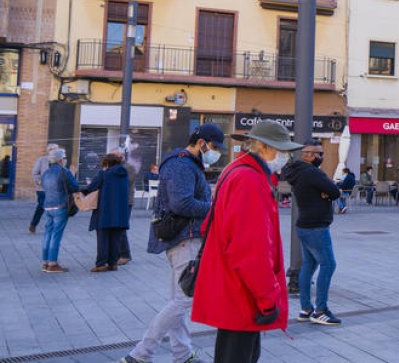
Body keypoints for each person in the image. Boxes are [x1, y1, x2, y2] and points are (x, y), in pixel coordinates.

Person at [192, 120, 300, 363]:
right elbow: (251, 249)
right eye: (282, 150)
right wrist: (267, 299)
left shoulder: (237, 170)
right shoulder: (250, 179)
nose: (285, 157)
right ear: (263, 147)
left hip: (233, 286)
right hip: (241, 292)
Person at [120, 124, 224, 363]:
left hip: (184, 238)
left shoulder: (187, 163)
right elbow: (182, 204)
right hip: (184, 239)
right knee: (184, 299)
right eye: (214, 147)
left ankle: (182, 353)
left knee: (178, 299)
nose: (215, 152)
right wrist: (215, 206)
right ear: (201, 143)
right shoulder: (181, 164)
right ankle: (140, 354)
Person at [281, 141, 344, 326]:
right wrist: (326, 192)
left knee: (309, 265)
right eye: (318, 154)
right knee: (328, 264)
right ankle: (321, 310)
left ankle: (306, 308)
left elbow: (330, 192)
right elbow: (334, 191)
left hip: (304, 225)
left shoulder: (298, 172)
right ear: (307, 154)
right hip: (316, 226)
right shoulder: (311, 172)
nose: (321, 157)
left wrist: (326, 191)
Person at [80, 153, 131, 272]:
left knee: (103, 239)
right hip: (120, 213)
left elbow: (91, 187)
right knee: (116, 239)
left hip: (105, 212)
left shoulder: (104, 174)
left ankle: (101, 264)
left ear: (107, 163)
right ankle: (113, 264)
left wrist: (79, 192)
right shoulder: (124, 174)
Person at [40, 148, 78, 273]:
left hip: (48, 206)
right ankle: (52, 263)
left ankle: (45, 263)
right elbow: (75, 187)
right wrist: (73, 174)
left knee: (48, 234)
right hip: (60, 206)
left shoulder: (45, 172)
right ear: (61, 160)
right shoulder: (64, 171)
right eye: (64, 158)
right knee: (56, 235)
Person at [29, 143, 60, 234]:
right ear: (48, 151)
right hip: (42, 189)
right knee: (42, 206)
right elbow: (35, 173)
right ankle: (33, 224)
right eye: (52, 149)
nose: (54, 151)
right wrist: (40, 182)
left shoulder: (60, 161)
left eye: (56, 149)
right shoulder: (41, 160)